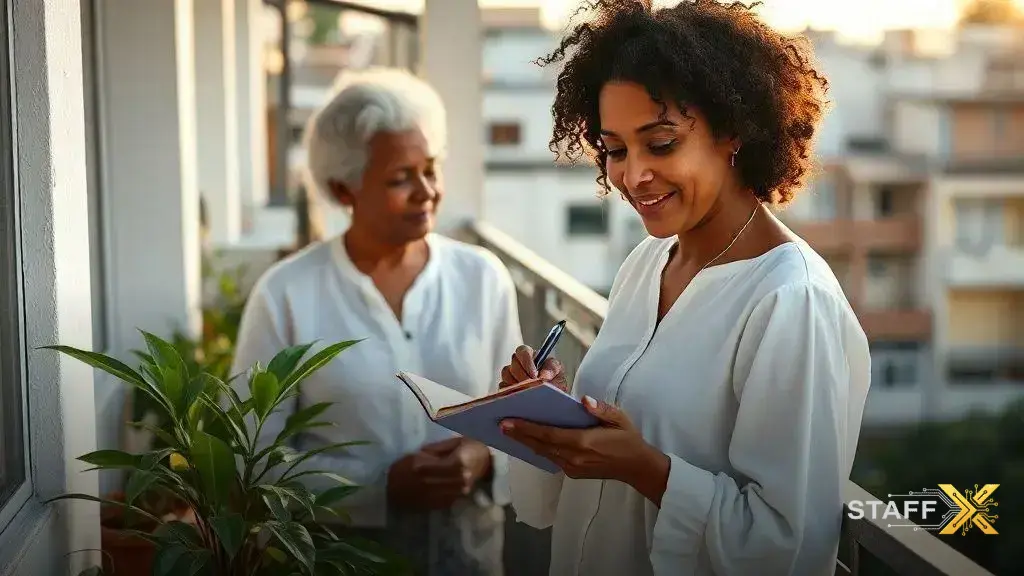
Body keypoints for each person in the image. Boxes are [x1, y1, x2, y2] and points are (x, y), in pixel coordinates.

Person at [496, 2, 871, 575]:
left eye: (662, 143)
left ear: (734, 131)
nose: (633, 175)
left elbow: (789, 547)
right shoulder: (648, 261)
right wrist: (558, 412)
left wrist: (645, 467)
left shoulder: (791, 301)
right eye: (616, 149)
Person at [231, 68, 522, 576]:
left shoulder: (482, 278)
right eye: (400, 178)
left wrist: (484, 458)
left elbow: (519, 417)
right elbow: (250, 462)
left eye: (432, 169)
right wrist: (376, 486)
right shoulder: (285, 295)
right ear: (345, 191)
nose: (426, 191)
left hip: (470, 557)